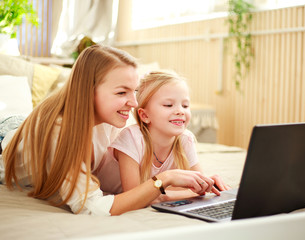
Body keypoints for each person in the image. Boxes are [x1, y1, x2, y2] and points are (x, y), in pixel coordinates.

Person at [0, 45, 218, 216]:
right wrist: (165, 178)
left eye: (134, 91)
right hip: (7, 133)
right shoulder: (59, 132)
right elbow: (94, 207)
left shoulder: (110, 118)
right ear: (89, 91)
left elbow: (138, 176)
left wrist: (196, 183)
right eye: (122, 92)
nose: (133, 103)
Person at [110, 71, 230, 202]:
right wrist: (168, 195)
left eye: (185, 105)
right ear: (144, 115)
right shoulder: (131, 138)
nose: (180, 111)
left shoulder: (185, 138)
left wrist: (207, 184)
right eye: (168, 105)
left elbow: (198, 188)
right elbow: (134, 195)